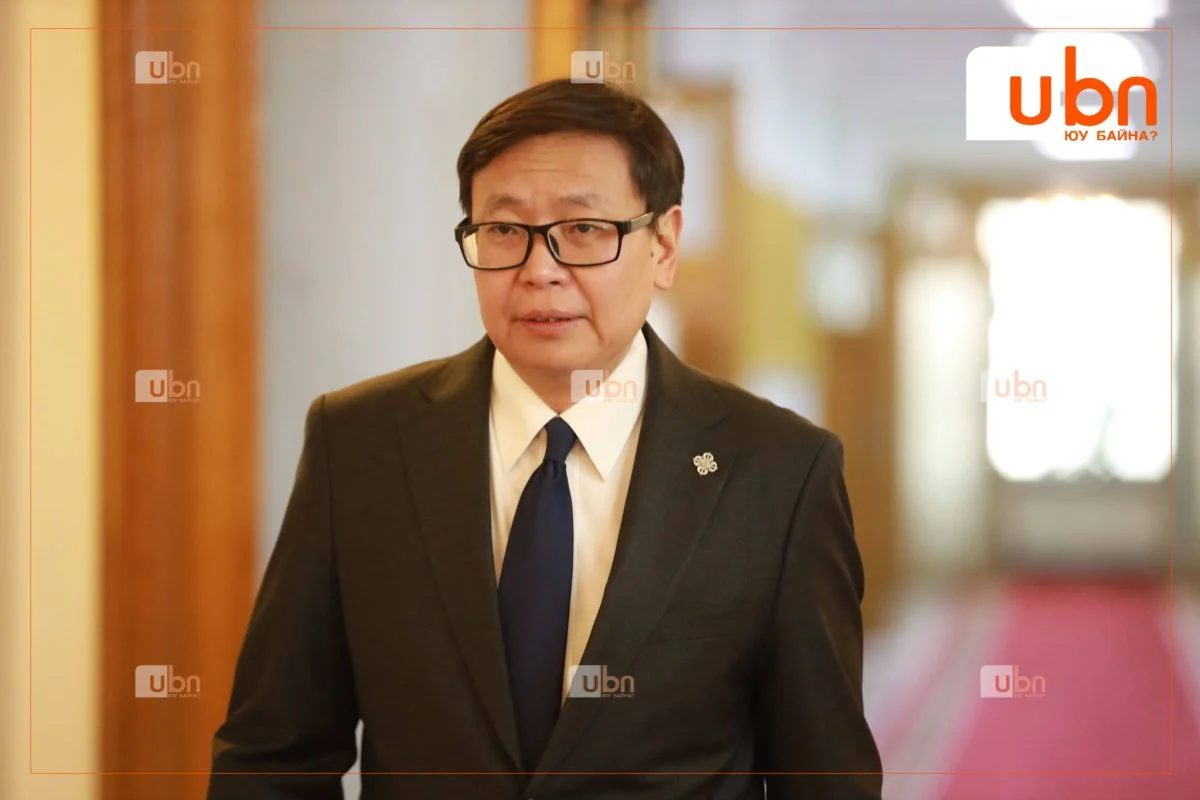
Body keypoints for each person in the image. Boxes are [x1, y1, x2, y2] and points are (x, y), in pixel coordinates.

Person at [207, 77, 883, 800]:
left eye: (584, 229)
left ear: (663, 245)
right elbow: (274, 755)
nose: (539, 271)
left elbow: (826, 778)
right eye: (504, 231)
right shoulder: (359, 444)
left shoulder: (779, 473)